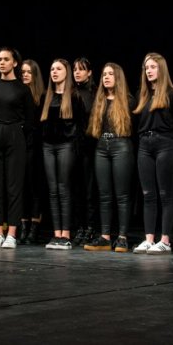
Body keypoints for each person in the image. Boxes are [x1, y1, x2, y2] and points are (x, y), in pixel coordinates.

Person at [0, 47, 35, 249]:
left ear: (14, 63)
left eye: (6, 59)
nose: (2, 63)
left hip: (14, 135)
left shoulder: (22, 89)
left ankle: (12, 233)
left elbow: (30, 120)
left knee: (14, 186)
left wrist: (18, 132)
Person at [84, 63, 136, 253]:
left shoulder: (128, 101)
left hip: (121, 146)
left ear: (118, 77)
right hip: (101, 148)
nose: (106, 77)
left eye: (110, 74)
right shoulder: (99, 100)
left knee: (122, 195)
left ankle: (122, 237)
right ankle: (105, 237)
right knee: (104, 195)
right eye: (104, 74)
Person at [132, 53, 173, 254]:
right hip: (145, 145)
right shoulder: (141, 95)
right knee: (148, 194)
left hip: (165, 143)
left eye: (153, 67)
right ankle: (149, 239)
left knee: (165, 194)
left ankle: (165, 240)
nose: (149, 71)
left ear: (161, 69)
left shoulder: (172, 94)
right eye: (146, 68)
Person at [41, 59, 86, 250]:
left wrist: (76, 147)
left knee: (63, 188)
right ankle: (56, 233)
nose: (54, 72)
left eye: (58, 69)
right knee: (53, 190)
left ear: (66, 72)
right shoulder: (46, 96)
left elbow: (81, 126)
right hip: (48, 146)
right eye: (52, 69)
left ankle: (66, 234)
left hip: (66, 145)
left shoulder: (74, 97)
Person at [71, 57, 99, 246]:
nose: (77, 73)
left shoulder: (95, 93)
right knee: (76, 189)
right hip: (73, 146)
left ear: (89, 72)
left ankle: (91, 227)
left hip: (90, 146)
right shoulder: (71, 92)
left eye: (81, 69)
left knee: (90, 190)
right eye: (75, 70)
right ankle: (79, 227)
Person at [19, 59, 47, 244]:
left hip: (36, 146)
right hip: (19, 144)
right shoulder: (18, 95)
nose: (25, 75)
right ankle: (23, 225)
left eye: (29, 72)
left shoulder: (42, 97)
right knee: (21, 187)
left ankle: (35, 226)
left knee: (34, 186)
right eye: (23, 72)